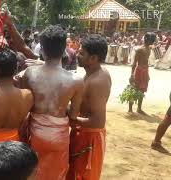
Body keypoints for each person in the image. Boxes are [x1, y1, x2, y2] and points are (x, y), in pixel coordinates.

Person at [18, 25, 84, 180]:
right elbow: (73, 115)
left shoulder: (29, 73)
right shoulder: (75, 80)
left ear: (42, 50)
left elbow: (25, 105)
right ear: (64, 50)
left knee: (34, 172)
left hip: (35, 134)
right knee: (56, 174)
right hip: (59, 136)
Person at [66, 34, 112, 180]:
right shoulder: (92, 74)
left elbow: (97, 121)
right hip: (82, 134)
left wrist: (71, 117)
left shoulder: (98, 81)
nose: (77, 55)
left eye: (81, 53)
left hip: (89, 137)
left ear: (93, 58)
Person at [129, 32, 156, 114]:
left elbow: (147, 60)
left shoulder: (149, 48)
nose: (153, 42)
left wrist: (147, 74)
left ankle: (139, 108)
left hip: (145, 70)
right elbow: (134, 63)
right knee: (135, 89)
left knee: (142, 90)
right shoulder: (140, 49)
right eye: (152, 40)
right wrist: (132, 75)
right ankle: (130, 109)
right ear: (147, 40)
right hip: (139, 71)